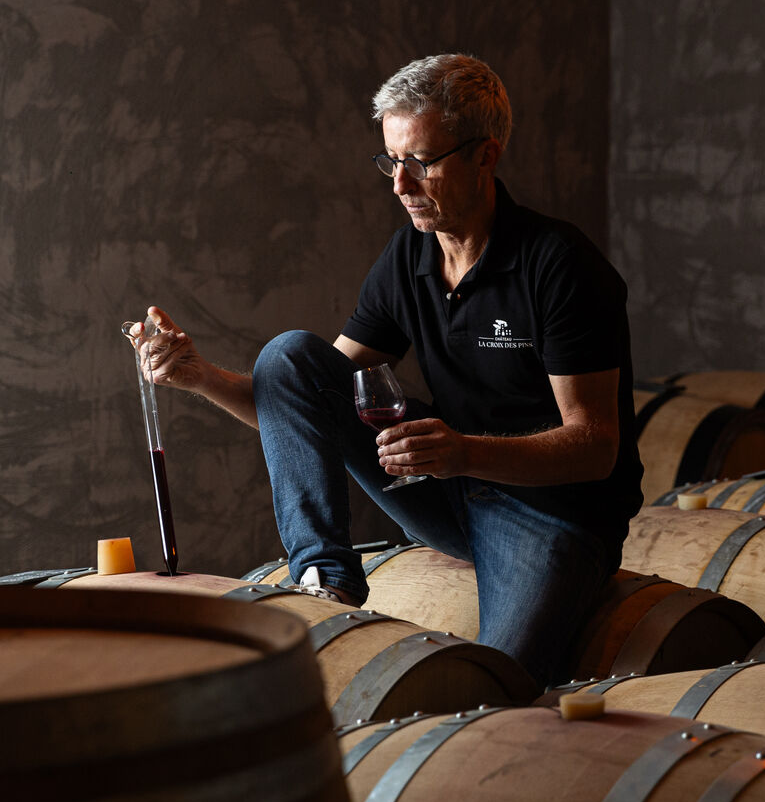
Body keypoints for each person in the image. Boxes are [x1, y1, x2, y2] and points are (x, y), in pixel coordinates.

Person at [128, 53, 643, 687]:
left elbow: (595, 448)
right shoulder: (410, 256)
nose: (400, 184)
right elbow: (303, 402)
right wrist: (199, 375)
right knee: (288, 354)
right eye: (390, 161)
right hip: (452, 491)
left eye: (420, 162)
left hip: (552, 515)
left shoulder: (559, 265)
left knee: (496, 688)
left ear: (487, 155)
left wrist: (461, 452)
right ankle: (324, 575)